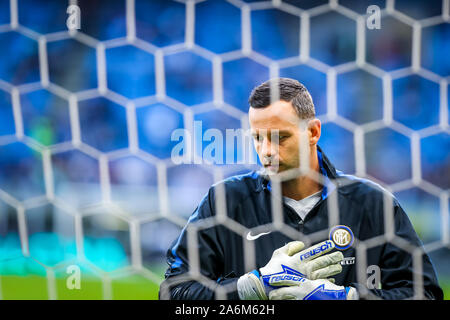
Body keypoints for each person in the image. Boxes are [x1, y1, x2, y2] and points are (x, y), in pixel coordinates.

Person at [159, 78, 443, 300]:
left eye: (280, 137)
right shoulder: (224, 201)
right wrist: (251, 287)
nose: (266, 151)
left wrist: (348, 297)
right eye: (258, 138)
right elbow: (174, 293)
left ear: (313, 132)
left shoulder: (372, 204)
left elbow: (425, 293)